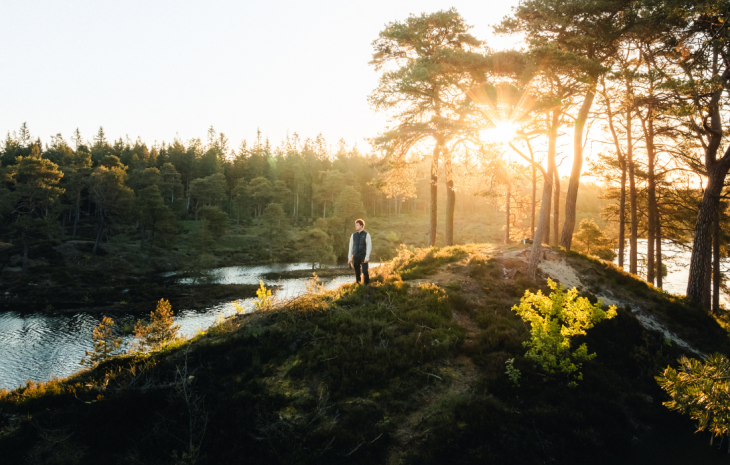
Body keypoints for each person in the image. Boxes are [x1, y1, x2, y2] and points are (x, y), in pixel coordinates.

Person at [348, 218, 372, 285]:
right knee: (357, 272)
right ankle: (358, 285)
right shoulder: (353, 235)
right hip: (356, 256)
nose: (356, 226)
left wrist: (367, 257)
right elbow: (350, 247)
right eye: (355, 225)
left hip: (363, 256)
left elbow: (369, 247)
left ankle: (367, 286)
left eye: (357, 225)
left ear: (361, 226)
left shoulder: (367, 235)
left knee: (365, 272)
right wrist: (350, 258)